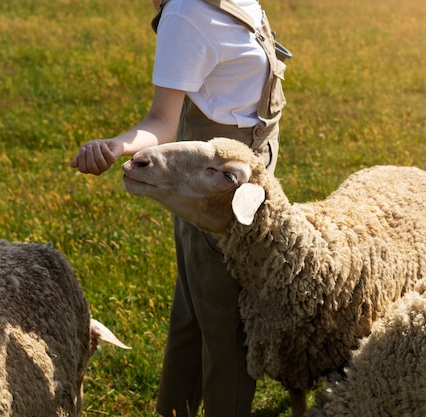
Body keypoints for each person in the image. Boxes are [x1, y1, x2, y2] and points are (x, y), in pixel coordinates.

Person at [70, 0, 287, 415]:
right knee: (227, 328)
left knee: (193, 315)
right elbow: (161, 122)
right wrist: (117, 148)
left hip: (243, 187)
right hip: (214, 196)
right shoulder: (186, 16)